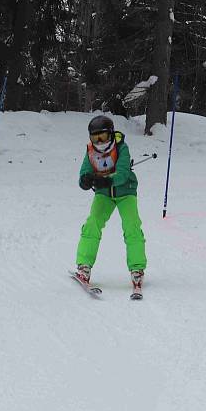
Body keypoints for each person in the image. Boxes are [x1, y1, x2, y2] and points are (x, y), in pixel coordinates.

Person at [75, 115, 146, 296]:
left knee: (132, 226)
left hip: (125, 192)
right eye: (95, 137)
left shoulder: (121, 147)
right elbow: (85, 170)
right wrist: (85, 180)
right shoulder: (90, 151)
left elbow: (122, 173)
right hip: (104, 195)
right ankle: (84, 266)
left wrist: (105, 181)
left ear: (111, 135)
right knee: (92, 223)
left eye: (103, 137)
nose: (99, 141)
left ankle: (137, 269)